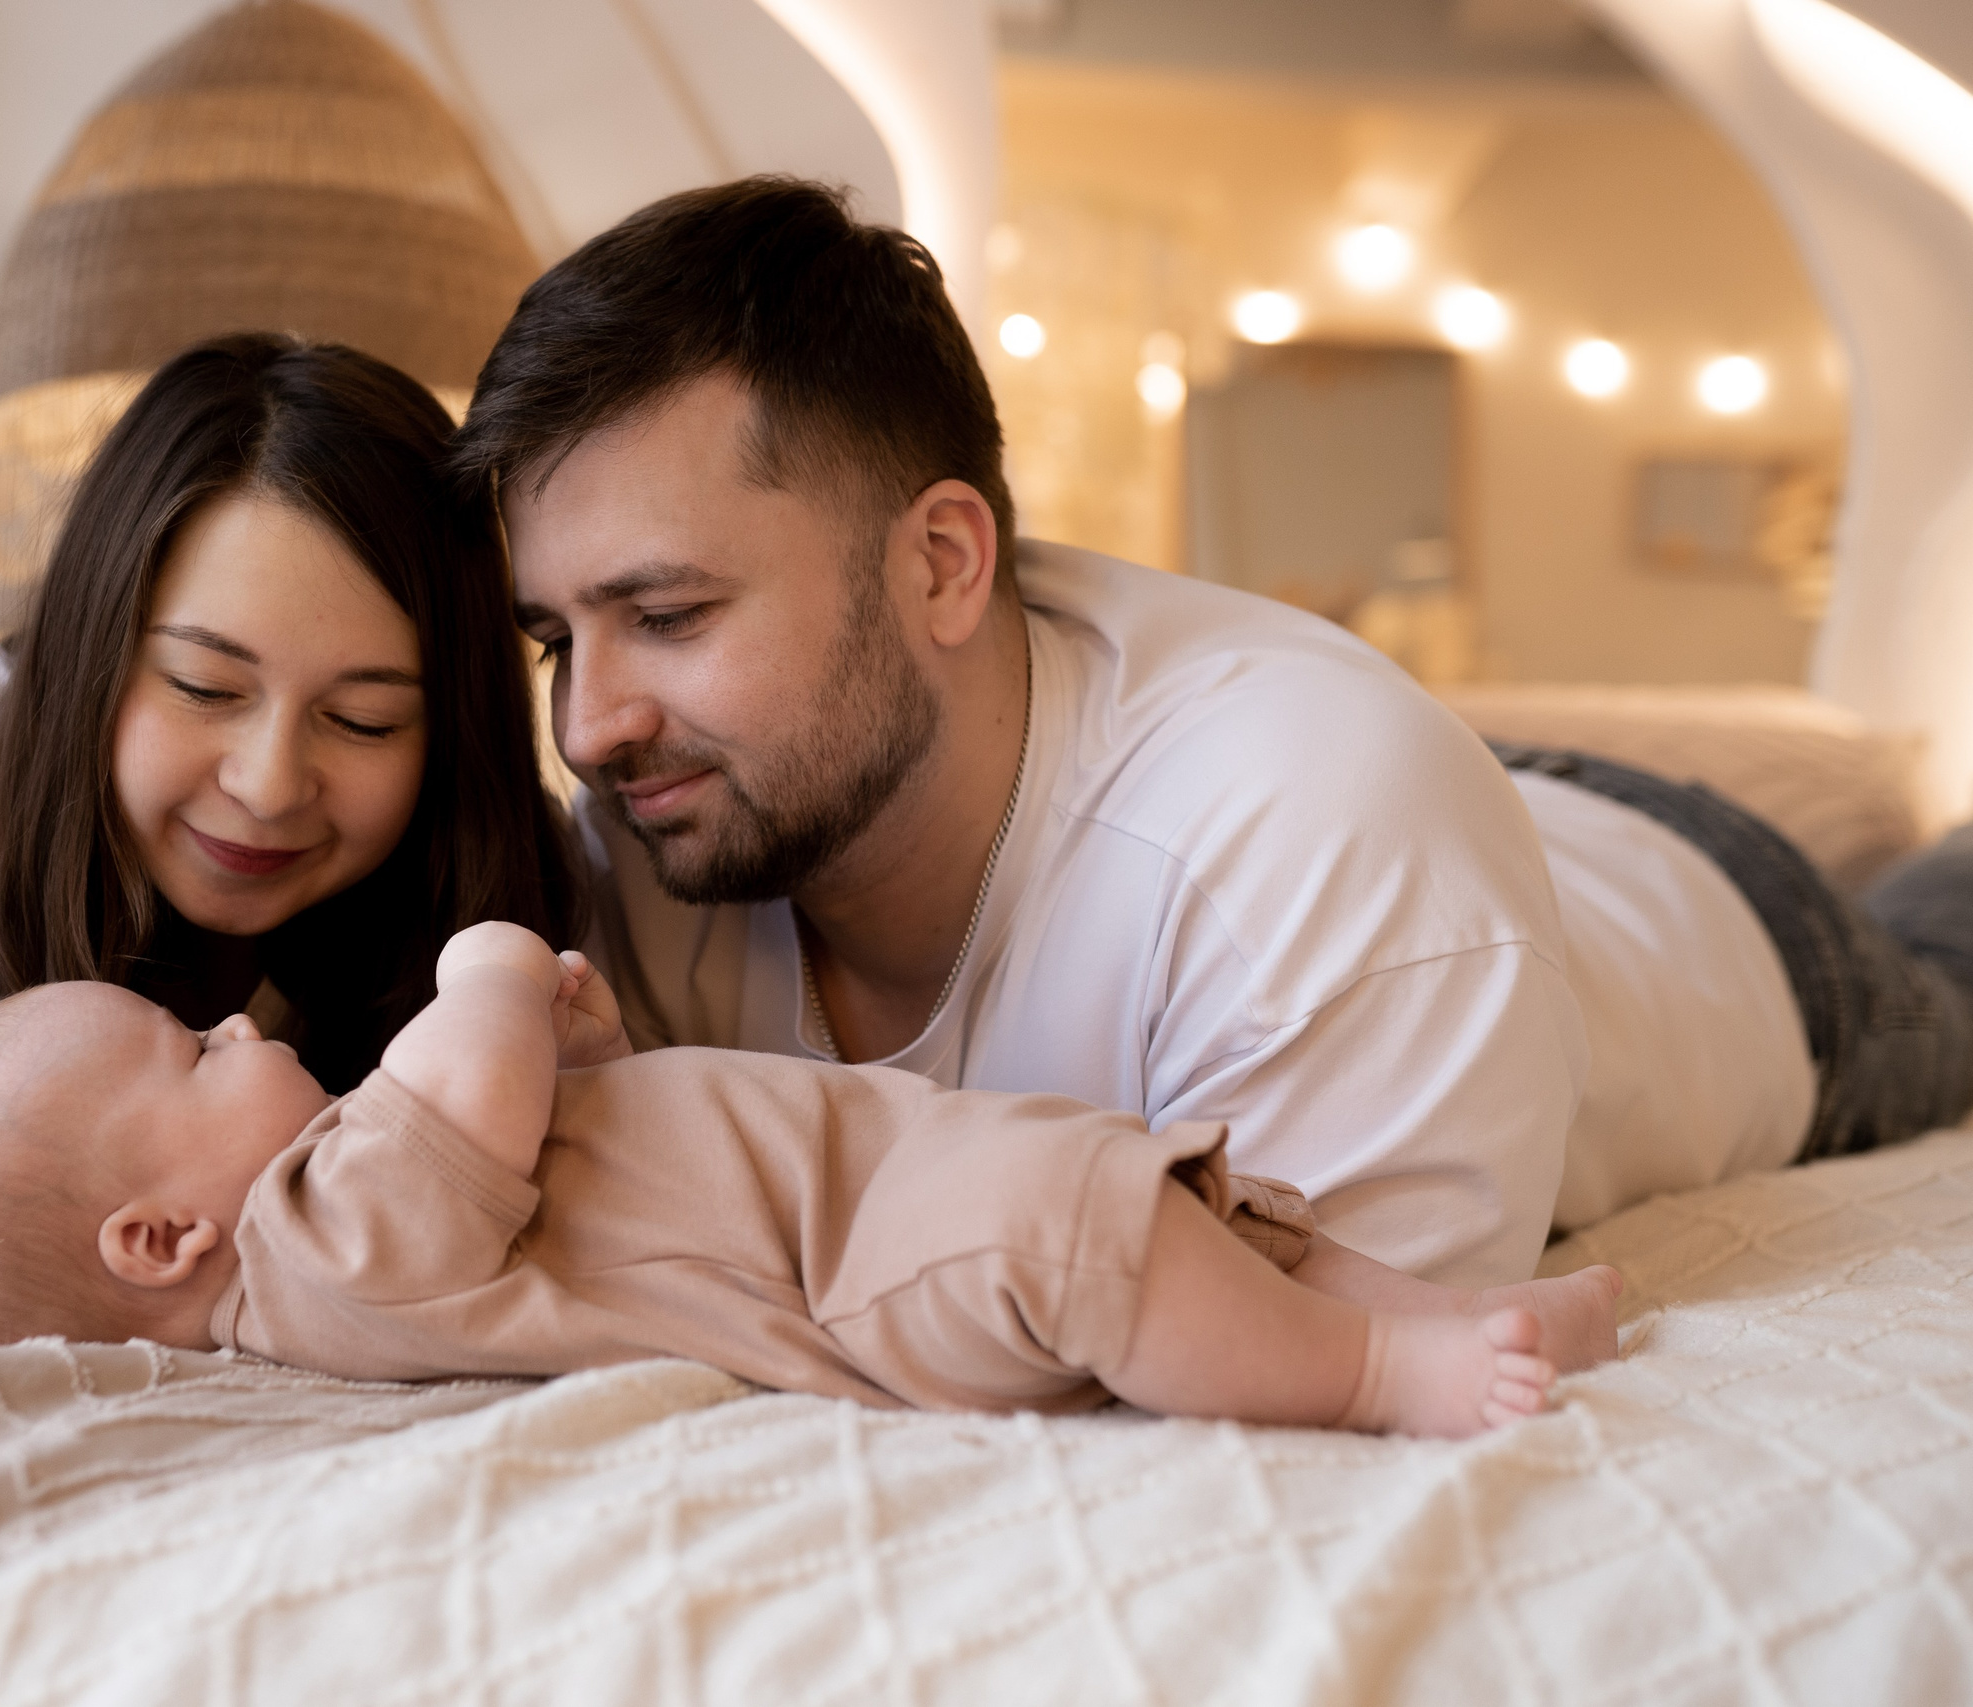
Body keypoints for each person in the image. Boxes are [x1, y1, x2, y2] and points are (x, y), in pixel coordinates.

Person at [451, 176, 1973, 1288]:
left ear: (940, 563)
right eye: (554, 639)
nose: (591, 726)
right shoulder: (665, 829)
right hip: (1477, 823)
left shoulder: (1317, 848)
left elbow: (1303, 1384)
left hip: (1714, 923)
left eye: (668, 615)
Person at [0, 922, 1624, 1437]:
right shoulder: (317, 1243)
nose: (236, 1020)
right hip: (863, 1261)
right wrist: (484, 972)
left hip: (888, 1175)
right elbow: (461, 1088)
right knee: (1116, 1260)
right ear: (160, 1236)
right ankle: (1383, 1374)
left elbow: (556, 1182)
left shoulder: (374, 1213)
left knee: (1202, 1219)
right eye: (188, 1057)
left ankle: (1456, 1310)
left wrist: (586, 1060)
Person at [0, 334, 578, 1247]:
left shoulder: (494, 865)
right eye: (204, 688)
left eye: (363, 720)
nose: (267, 787)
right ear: (93, 652)